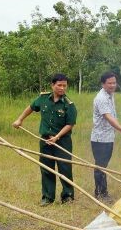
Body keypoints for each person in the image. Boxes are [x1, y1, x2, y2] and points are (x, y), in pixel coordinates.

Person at [12, 73, 77, 206]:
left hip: (62, 141)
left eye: (64, 86)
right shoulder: (42, 99)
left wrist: (57, 136)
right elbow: (31, 107)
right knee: (46, 168)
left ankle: (67, 196)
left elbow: (69, 124)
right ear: (52, 85)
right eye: (59, 85)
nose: (62, 88)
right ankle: (47, 197)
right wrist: (20, 119)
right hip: (45, 141)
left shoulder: (69, 104)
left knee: (65, 168)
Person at [90, 71, 121, 200]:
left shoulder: (110, 94)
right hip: (100, 138)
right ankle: (100, 193)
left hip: (108, 137)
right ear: (103, 84)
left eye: (114, 82)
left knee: (104, 165)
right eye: (110, 83)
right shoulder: (101, 98)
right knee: (100, 166)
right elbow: (108, 117)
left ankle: (102, 191)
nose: (113, 85)